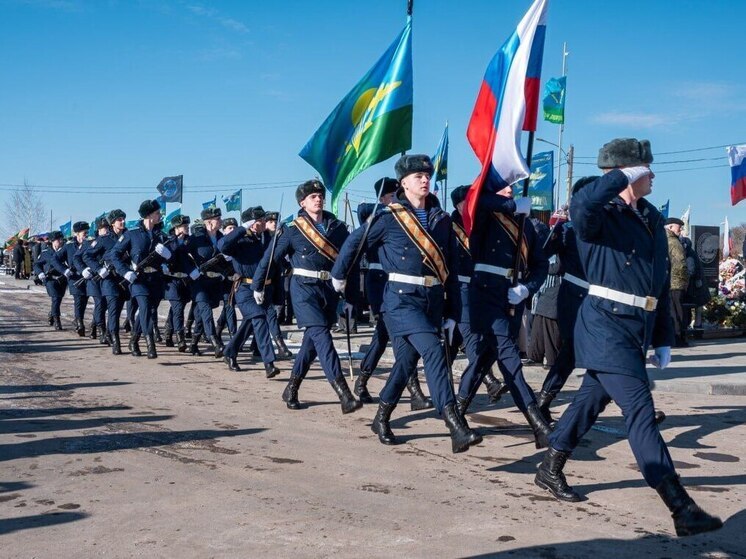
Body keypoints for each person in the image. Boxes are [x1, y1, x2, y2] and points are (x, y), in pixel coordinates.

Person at [534, 137, 722, 537]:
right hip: (604, 323)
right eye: (645, 168)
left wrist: (664, 336)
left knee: (589, 401)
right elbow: (583, 203)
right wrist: (620, 174)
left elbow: (656, 281)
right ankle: (680, 506)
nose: (652, 174)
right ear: (626, 172)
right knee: (640, 412)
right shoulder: (596, 210)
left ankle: (550, 466)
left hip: (636, 325)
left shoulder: (650, 217)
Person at [333, 155, 481, 453]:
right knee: (434, 351)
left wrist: (452, 311)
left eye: (427, 175)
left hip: (432, 301)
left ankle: (382, 417)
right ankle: (454, 423)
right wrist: (339, 277)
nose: (425, 179)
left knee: (406, 363)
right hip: (400, 300)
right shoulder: (390, 218)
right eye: (417, 176)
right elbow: (353, 242)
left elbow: (449, 268)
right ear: (403, 183)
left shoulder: (440, 220)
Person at [253, 179, 361, 415]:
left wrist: (351, 297)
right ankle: (344, 393)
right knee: (322, 337)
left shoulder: (337, 227)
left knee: (310, 345)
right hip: (303, 290)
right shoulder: (293, 229)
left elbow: (348, 262)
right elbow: (270, 259)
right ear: (302, 202)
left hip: (328, 291)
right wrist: (258, 285)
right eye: (312, 196)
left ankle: (291, 388)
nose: (318, 199)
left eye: (321, 195)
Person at [459, 179, 552, 448]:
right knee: (510, 359)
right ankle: (539, 426)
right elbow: (476, 198)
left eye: (513, 187)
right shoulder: (484, 214)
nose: (511, 190)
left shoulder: (526, 226)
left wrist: (527, 288)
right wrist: (510, 204)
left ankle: (455, 413)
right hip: (485, 294)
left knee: (483, 359)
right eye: (505, 187)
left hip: (512, 298)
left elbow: (540, 264)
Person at [353, 177, 433, 409]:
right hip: (380, 283)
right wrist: (384, 206)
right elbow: (363, 211)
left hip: (402, 287)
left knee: (385, 338)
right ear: (383, 198)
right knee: (389, 338)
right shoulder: (379, 215)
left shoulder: (406, 218)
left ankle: (363, 380)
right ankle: (413, 391)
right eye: (391, 195)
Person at [449, 184, 508, 412]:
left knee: (455, 344)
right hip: (459, 288)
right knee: (472, 338)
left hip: (479, 287)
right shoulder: (449, 226)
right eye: (468, 201)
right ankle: (489, 381)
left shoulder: (480, 223)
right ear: (459, 204)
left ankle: (446, 386)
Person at [219, 206, 280, 377]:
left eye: (262, 220)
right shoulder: (240, 239)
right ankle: (269, 362)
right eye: (258, 221)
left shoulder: (268, 238)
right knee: (259, 318)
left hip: (264, 288)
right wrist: (241, 229)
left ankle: (230, 351)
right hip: (245, 288)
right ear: (251, 223)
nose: (262, 223)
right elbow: (222, 246)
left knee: (249, 324)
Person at [110, 199, 170, 359]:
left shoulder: (161, 235)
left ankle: (134, 340)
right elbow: (114, 255)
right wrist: (125, 272)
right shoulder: (132, 234)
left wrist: (167, 257)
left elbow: (170, 256)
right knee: (144, 307)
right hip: (138, 279)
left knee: (150, 310)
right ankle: (150, 344)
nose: (160, 216)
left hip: (156, 279)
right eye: (157, 213)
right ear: (149, 215)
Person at [185, 207, 227, 358]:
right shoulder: (196, 238)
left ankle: (194, 343)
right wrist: (191, 270)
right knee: (206, 311)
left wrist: (226, 270)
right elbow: (182, 255)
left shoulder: (222, 238)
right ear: (209, 222)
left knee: (201, 314)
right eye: (218, 219)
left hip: (215, 281)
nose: (221, 221)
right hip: (199, 281)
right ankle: (215, 341)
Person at [52, 221, 91, 336]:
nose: (86, 235)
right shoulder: (68, 246)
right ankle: (80, 323)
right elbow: (55, 259)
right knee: (78, 300)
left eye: (87, 233)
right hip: (74, 278)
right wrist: (64, 270)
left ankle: (78, 319)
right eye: (84, 233)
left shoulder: (89, 244)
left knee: (84, 300)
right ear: (77, 234)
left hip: (87, 277)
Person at [263, 211, 293, 359]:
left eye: (276, 222)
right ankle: (280, 345)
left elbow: (279, 256)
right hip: (261, 282)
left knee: (265, 316)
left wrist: (287, 265)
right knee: (268, 314)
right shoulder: (262, 238)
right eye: (270, 221)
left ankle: (256, 346)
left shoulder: (279, 237)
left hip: (275, 280)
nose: (274, 224)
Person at [162, 214, 193, 352]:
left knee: (176, 308)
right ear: (176, 228)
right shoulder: (169, 242)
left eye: (187, 226)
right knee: (178, 308)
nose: (187, 228)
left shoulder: (190, 241)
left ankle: (168, 333)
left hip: (186, 280)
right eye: (184, 226)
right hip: (172, 280)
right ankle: (180, 338)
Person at [79, 216, 111, 345]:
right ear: (98, 229)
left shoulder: (110, 240)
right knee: (100, 303)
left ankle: (94, 324)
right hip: (94, 278)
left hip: (106, 277)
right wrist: (83, 270)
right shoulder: (89, 242)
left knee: (104, 305)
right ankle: (102, 331)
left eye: (107, 228)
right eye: (103, 228)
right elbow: (77, 258)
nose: (106, 230)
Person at [33, 231, 67, 330]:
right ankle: (57, 320)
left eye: (61, 239)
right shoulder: (46, 253)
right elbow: (37, 264)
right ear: (52, 241)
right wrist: (40, 273)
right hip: (50, 279)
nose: (60, 241)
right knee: (55, 298)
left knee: (58, 299)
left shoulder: (65, 251)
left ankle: (52, 313)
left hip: (62, 279)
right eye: (58, 240)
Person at [665, 217, 690, 347]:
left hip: (668, 282)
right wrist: (684, 281)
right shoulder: (674, 243)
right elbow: (681, 263)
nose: (681, 230)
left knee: (671, 311)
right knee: (677, 312)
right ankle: (678, 338)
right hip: (676, 283)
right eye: (678, 227)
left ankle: (673, 337)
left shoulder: (661, 239)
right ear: (670, 227)